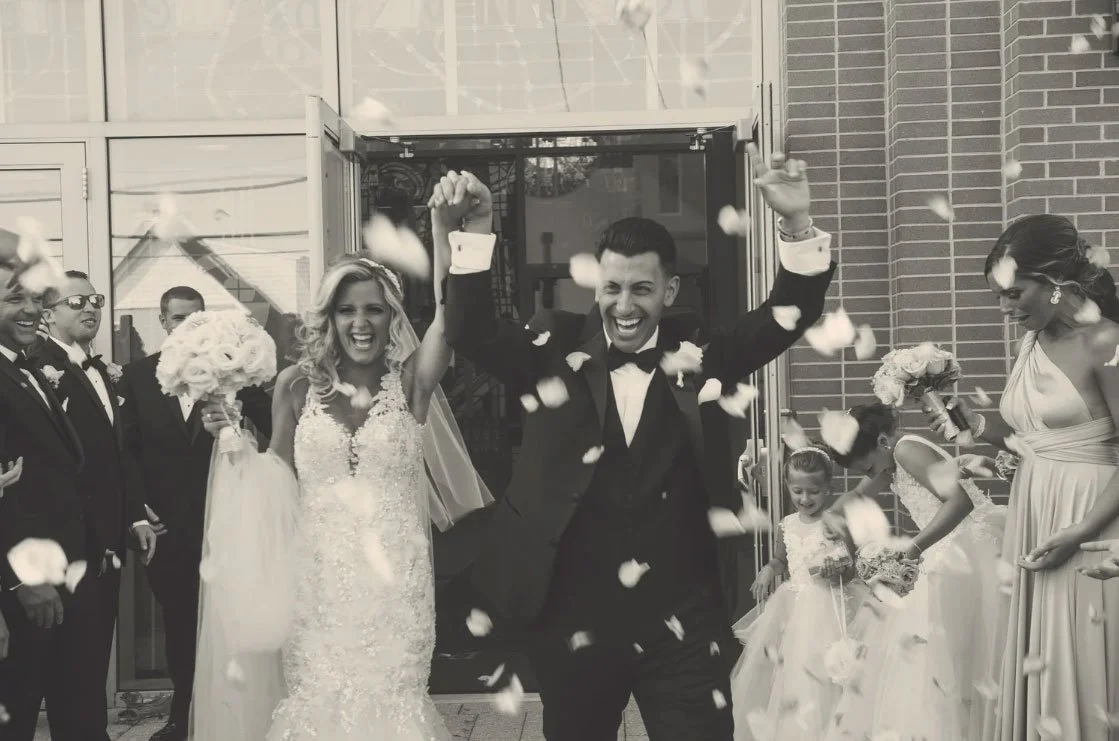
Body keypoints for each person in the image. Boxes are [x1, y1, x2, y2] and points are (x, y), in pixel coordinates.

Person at [441, 144, 837, 741]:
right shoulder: (552, 352)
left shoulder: (702, 353)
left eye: (642, 290)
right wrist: (473, 232)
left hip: (683, 615)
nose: (624, 307)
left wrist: (796, 224)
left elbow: (788, 314)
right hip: (573, 614)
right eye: (612, 288)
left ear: (670, 290)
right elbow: (469, 330)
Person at [190, 225, 492, 739]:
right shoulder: (296, 386)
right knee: (317, 698)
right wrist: (233, 440)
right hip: (318, 580)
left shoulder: (412, 381)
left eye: (374, 309)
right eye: (347, 310)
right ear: (329, 318)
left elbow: (451, 316)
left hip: (396, 581)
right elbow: (275, 477)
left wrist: (454, 234)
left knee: (394, 696)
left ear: (393, 317)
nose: (360, 323)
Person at [929, 215, 1119, 741]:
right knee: (1039, 657)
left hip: (1092, 518)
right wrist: (972, 422)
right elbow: (1031, 439)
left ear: (1056, 283)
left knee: (1078, 655)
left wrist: (1081, 533)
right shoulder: (1030, 346)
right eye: (997, 296)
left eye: (1014, 293)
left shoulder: (1104, 341)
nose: (1005, 308)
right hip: (1036, 514)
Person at [116, 286, 273, 741]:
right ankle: (183, 716)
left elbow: (277, 425)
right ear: (162, 323)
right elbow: (127, 450)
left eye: (196, 317)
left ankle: (235, 712)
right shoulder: (137, 376)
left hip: (228, 521)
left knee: (233, 618)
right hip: (169, 529)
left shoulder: (234, 372)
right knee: (181, 623)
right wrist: (139, 509)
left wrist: (239, 418)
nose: (186, 325)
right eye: (177, 317)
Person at [821, 402, 1005, 741]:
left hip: (969, 548)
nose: (871, 475)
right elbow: (859, 494)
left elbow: (959, 503)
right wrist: (831, 518)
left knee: (951, 648)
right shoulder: (889, 458)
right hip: (945, 551)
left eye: (869, 468)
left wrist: (914, 547)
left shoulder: (907, 450)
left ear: (880, 442)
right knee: (936, 655)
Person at [27, 270, 156, 740]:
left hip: (107, 541)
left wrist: (134, 514)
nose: (89, 308)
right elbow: (55, 468)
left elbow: (119, 454)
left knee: (92, 659)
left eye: (95, 299)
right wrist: (93, 534)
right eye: (75, 301)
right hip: (71, 542)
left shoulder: (103, 369)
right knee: (71, 669)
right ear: (48, 314)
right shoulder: (39, 367)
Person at [0, 257, 93, 740]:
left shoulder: (28, 368)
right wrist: (19, 582)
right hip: (28, 583)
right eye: (15, 298)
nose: (31, 309)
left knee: (64, 701)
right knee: (16, 709)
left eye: (36, 298)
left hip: (62, 571)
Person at [730, 446, 866, 741]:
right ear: (788, 487)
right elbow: (782, 559)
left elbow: (850, 569)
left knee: (826, 673)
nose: (805, 499)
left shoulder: (835, 523)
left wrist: (837, 569)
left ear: (828, 488)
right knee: (793, 672)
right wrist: (769, 568)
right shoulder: (787, 524)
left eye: (813, 492)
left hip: (829, 606)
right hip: (793, 609)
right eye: (798, 491)